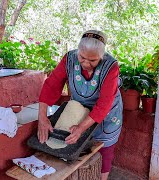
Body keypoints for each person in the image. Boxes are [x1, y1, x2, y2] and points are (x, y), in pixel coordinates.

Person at [37, 30, 122, 180]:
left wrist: (82, 127)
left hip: (107, 113)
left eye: (93, 60)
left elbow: (104, 103)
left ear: (102, 57)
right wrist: (42, 117)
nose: (86, 63)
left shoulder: (111, 66)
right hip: (80, 110)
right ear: (78, 50)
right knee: (76, 144)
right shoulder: (69, 58)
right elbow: (51, 85)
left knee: (104, 149)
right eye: (82, 57)